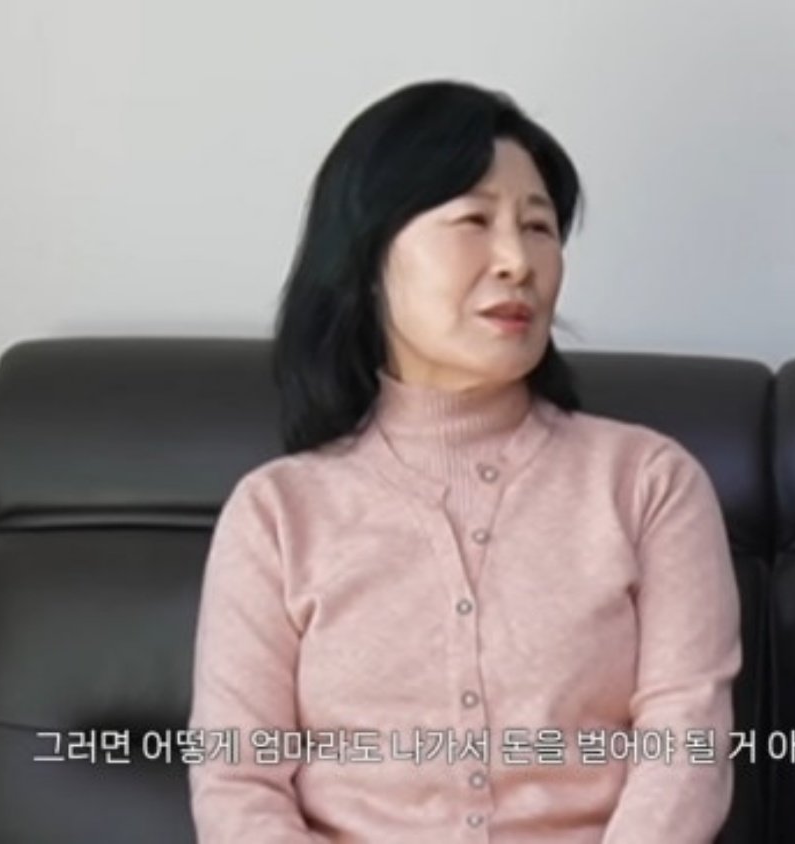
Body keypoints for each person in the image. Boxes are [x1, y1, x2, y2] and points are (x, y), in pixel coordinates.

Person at [188, 78, 742, 843]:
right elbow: (237, 784)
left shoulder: (648, 483)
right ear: (370, 255)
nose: (517, 261)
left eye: (539, 227)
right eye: (474, 221)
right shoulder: (278, 512)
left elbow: (686, 746)